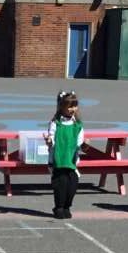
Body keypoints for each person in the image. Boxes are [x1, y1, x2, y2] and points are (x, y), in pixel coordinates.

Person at [45, 91, 84, 219]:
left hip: (71, 161)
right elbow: (51, 138)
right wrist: (49, 141)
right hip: (58, 161)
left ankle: (67, 206)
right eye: (70, 106)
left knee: (72, 185)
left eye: (75, 106)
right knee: (60, 185)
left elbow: (79, 143)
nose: (73, 109)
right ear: (62, 107)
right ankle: (59, 207)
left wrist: (85, 145)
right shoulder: (55, 123)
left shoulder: (77, 125)